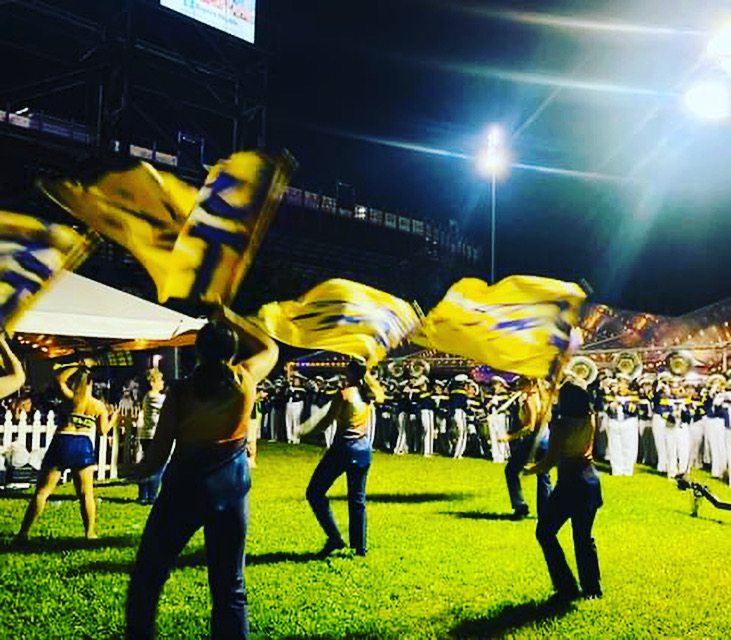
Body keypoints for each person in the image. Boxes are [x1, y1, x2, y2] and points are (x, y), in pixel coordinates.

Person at [125, 306, 278, 640]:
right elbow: (272, 349)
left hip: (184, 490)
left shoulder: (181, 391)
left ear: (198, 350)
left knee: (149, 575)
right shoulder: (245, 379)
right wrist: (231, 315)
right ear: (233, 350)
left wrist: (133, 470)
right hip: (230, 491)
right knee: (229, 587)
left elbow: (157, 456)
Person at [16, 358, 116, 541]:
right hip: (83, 444)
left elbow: (58, 379)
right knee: (86, 493)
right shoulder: (98, 406)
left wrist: (77, 365)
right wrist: (113, 419)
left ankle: (24, 532)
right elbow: (103, 431)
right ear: (92, 384)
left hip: (62, 440)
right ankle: (90, 533)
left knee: (42, 491)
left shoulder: (70, 398)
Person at [524, 374, 603, 601]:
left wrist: (529, 469)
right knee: (583, 537)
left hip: (570, 482)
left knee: (545, 532)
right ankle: (592, 590)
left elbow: (550, 461)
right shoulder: (590, 418)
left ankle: (566, 586)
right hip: (589, 480)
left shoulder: (560, 425)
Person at [301, 358, 383, 557]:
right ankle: (360, 547)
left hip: (342, 449)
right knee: (357, 499)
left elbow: (327, 421)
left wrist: (306, 432)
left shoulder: (344, 394)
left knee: (314, 492)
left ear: (350, 373)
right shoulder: (370, 395)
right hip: (363, 451)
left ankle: (335, 537)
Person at [502, 378, 552, 519]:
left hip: (534, 440)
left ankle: (520, 506)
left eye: (521, 383)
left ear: (530, 384)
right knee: (543, 476)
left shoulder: (530, 400)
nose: (518, 386)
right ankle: (546, 511)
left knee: (511, 471)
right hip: (547, 439)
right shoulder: (544, 396)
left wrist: (509, 437)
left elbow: (530, 427)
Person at [136, 367, 166, 504]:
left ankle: (144, 495)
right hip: (154, 436)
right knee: (157, 467)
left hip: (147, 435)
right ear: (153, 382)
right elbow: (169, 405)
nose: (163, 383)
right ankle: (151, 496)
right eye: (160, 380)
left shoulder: (147, 397)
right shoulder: (154, 397)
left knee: (148, 466)